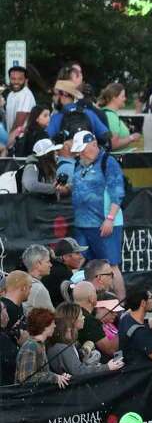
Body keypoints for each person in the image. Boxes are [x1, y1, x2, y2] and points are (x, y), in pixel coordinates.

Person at [58, 131, 127, 299]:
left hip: (104, 222)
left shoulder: (107, 162)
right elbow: (77, 186)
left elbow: (117, 192)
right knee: (79, 261)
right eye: (79, 149)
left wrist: (110, 219)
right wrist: (65, 189)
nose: (80, 152)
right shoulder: (79, 164)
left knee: (110, 265)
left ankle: (122, 304)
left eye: (83, 149)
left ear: (94, 145)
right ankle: (81, 300)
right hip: (82, 223)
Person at [47, 302, 124, 378]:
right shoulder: (62, 347)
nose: (84, 317)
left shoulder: (68, 342)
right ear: (73, 320)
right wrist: (107, 367)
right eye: (81, 316)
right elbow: (79, 371)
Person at [15, 307, 70, 388]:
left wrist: (60, 377)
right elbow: (26, 378)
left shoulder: (39, 345)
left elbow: (41, 373)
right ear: (45, 325)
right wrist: (54, 378)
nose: (54, 326)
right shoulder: (31, 346)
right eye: (52, 323)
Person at [46, 81, 110, 145]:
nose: (53, 98)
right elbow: (105, 135)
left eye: (54, 94)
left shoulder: (56, 118)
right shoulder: (89, 113)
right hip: (89, 153)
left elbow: (46, 140)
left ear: (64, 94)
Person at [95, 84, 141, 153]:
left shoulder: (108, 113)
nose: (125, 99)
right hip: (117, 160)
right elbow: (113, 144)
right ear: (114, 98)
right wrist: (132, 138)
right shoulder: (111, 116)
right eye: (122, 96)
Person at [44, 238, 87, 305]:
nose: (81, 256)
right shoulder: (64, 273)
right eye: (77, 253)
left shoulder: (53, 268)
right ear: (66, 257)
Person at [5, 66, 35, 151]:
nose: (16, 82)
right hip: (13, 141)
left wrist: (8, 141)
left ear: (25, 80)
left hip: (21, 142)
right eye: (13, 79)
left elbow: (20, 120)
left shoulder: (26, 94)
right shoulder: (10, 95)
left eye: (20, 79)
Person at [21, 245, 55, 311]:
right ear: (38, 264)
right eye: (47, 261)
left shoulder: (22, 282)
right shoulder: (38, 289)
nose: (51, 265)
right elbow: (51, 317)